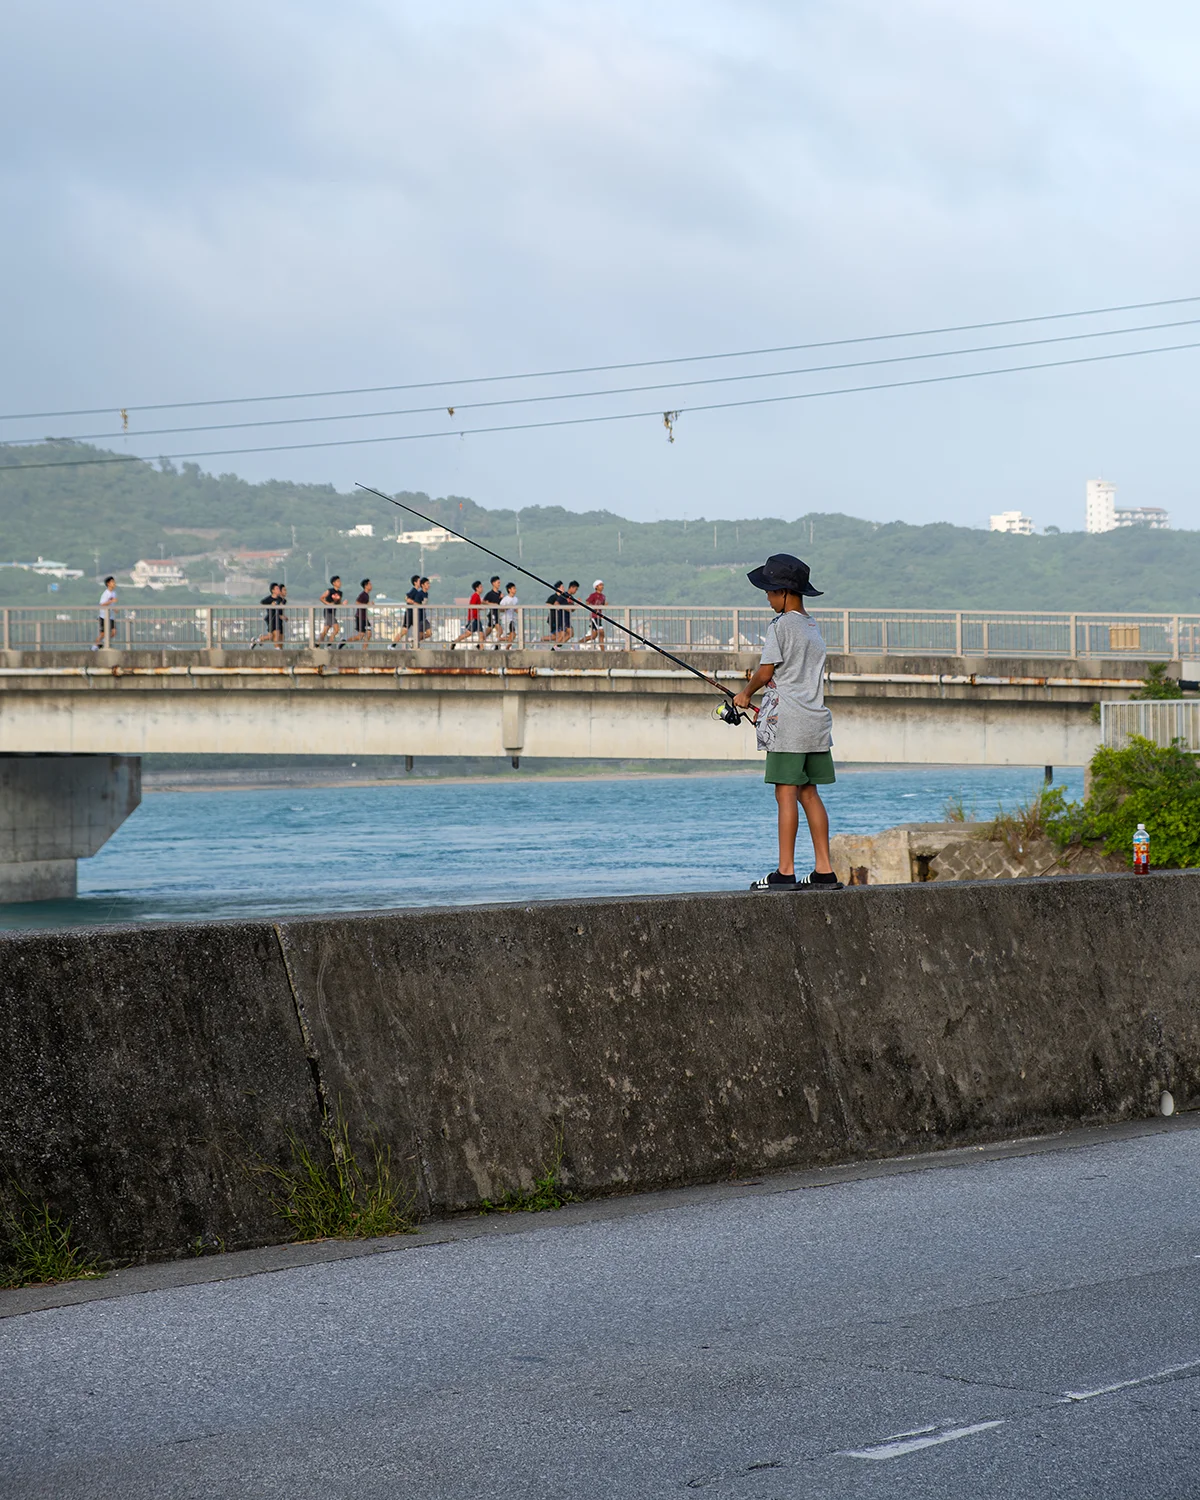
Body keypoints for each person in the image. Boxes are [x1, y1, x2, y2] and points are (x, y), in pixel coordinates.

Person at [732, 553, 843, 892]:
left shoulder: (780, 626)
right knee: (809, 792)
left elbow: (766, 672)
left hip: (788, 723)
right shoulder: (812, 627)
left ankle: (785, 871)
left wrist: (744, 694)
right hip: (815, 720)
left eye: (769, 591)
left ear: (784, 592)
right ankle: (824, 871)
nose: (767, 598)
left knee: (785, 792)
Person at [250, 582, 283, 650]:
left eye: (279, 589)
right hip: (271, 619)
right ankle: (259, 640)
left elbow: (283, 603)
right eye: (277, 589)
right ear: (273, 590)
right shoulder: (269, 599)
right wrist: (270, 605)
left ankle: (259, 640)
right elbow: (262, 602)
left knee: (274, 635)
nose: (279, 590)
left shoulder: (280, 599)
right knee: (272, 636)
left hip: (277, 619)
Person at [452, 581, 485, 648]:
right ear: (477, 588)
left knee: (481, 634)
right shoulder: (475, 596)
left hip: (477, 618)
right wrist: (480, 607)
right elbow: (472, 605)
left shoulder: (478, 596)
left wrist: (481, 607)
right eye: (480, 587)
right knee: (468, 634)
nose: (482, 588)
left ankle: (481, 648)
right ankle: (455, 641)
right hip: (473, 618)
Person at [345, 578, 373, 650]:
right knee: (361, 636)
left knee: (369, 633)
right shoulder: (363, 594)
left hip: (364, 618)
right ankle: (344, 642)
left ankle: (364, 649)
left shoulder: (366, 595)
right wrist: (367, 604)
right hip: (360, 617)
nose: (371, 586)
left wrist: (368, 604)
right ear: (366, 586)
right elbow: (357, 603)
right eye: (370, 584)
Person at [317, 576, 344, 646]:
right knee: (336, 629)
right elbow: (321, 598)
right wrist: (328, 604)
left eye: (340, 581)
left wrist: (343, 604)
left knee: (325, 630)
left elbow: (338, 603)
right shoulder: (330, 591)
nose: (340, 583)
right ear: (334, 583)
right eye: (338, 581)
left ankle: (317, 644)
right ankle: (329, 644)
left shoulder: (340, 593)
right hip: (328, 612)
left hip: (333, 612)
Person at [92, 576, 117, 650]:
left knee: (113, 632)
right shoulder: (106, 593)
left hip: (110, 616)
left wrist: (114, 609)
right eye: (112, 582)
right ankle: (94, 647)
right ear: (108, 583)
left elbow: (112, 604)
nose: (114, 583)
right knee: (103, 634)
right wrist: (111, 601)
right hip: (103, 616)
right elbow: (102, 604)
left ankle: (103, 643)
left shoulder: (114, 593)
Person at [580, 579, 606, 650]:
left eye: (602, 585)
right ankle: (603, 649)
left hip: (599, 617)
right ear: (596, 587)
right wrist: (593, 608)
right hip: (594, 617)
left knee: (593, 636)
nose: (602, 586)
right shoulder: (593, 595)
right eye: (600, 585)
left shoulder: (603, 596)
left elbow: (602, 604)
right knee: (601, 632)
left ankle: (579, 642)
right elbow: (587, 602)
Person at [542, 581, 566, 645]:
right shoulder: (553, 597)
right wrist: (555, 607)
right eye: (562, 587)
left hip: (560, 620)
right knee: (560, 635)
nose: (563, 589)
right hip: (553, 619)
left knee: (557, 636)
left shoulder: (563, 597)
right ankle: (554, 648)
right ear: (558, 588)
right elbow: (547, 604)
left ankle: (542, 639)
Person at [482, 576, 503, 646]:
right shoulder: (490, 594)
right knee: (500, 630)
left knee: (489, 629)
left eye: (499, 583)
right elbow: (483, 602)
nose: (499, 584)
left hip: (497, 613)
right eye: (498, 583)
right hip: (492, 613)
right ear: (493, 583)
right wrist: (492, 604)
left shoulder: (499, 593)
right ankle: (496, 644)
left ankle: (480, 642)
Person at [499, 581, 520, 648]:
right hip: (507, 619)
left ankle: (500, 640)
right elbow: (500, 609)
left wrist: (520, 612)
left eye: (515, 588)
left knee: (512, 635)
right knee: (513, 634)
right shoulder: (505, 599)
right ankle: (506, 646)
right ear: (509, 590)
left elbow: (515, 609)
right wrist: (506, 608)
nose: (515, 590)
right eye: (513, 588)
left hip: (512, 619)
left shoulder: (516, 599)